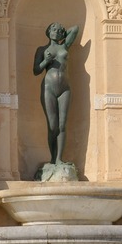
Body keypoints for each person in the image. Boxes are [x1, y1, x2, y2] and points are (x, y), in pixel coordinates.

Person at [33, 21, 80, 166]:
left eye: (59, 30)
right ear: (48, 32)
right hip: (49, 87)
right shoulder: (42, 49)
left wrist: (63, 33)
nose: (57, 32)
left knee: (62, 124)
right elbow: (36, 70)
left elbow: (75, 29)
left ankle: (59, 158)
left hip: (65, 88)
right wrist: (46, 61)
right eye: (54, 29)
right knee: (52, 125)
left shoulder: (64, 46)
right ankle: (52, 158)